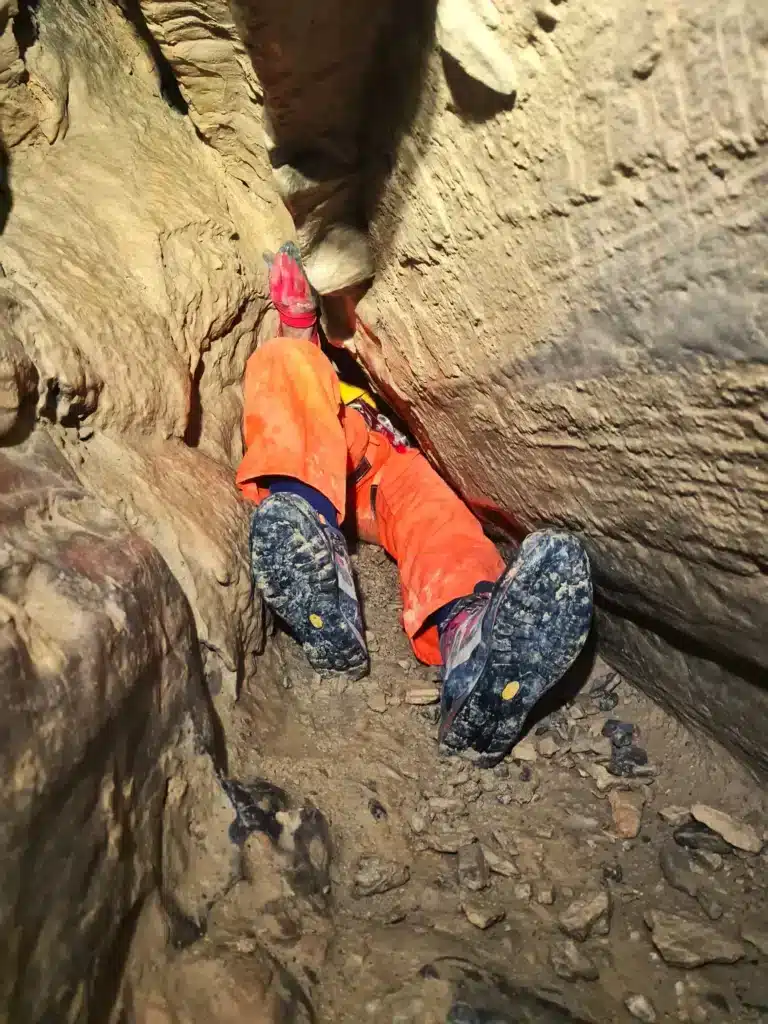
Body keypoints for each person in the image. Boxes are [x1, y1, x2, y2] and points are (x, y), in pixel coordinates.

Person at [236, 243, 593, 765]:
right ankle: (309, 536)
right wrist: (298, 324)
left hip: (394, 464)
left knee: (437, 514)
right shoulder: (319, 364)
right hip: (335, 448)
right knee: (285, 362)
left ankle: (472, 651)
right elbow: (294, 387)